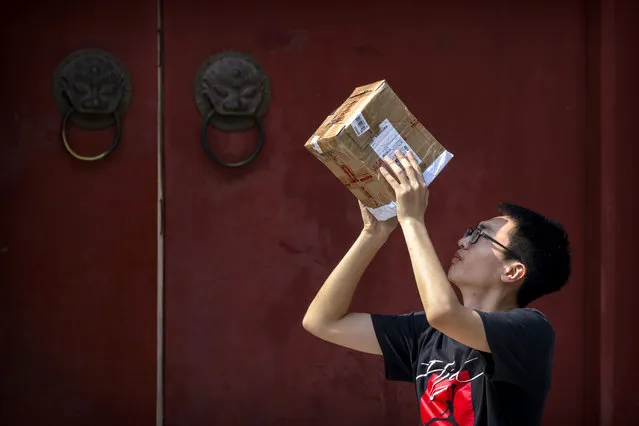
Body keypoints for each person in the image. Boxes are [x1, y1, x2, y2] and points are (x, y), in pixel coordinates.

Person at [302, 150, 571, 426]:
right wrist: (373, 234)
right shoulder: (427, 334)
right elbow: (322, 321)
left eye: (480, 236)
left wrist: (412, 220)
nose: (463, 241)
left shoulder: (530, 332)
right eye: (470, 232)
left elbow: (443, 312)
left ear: (512, 271)